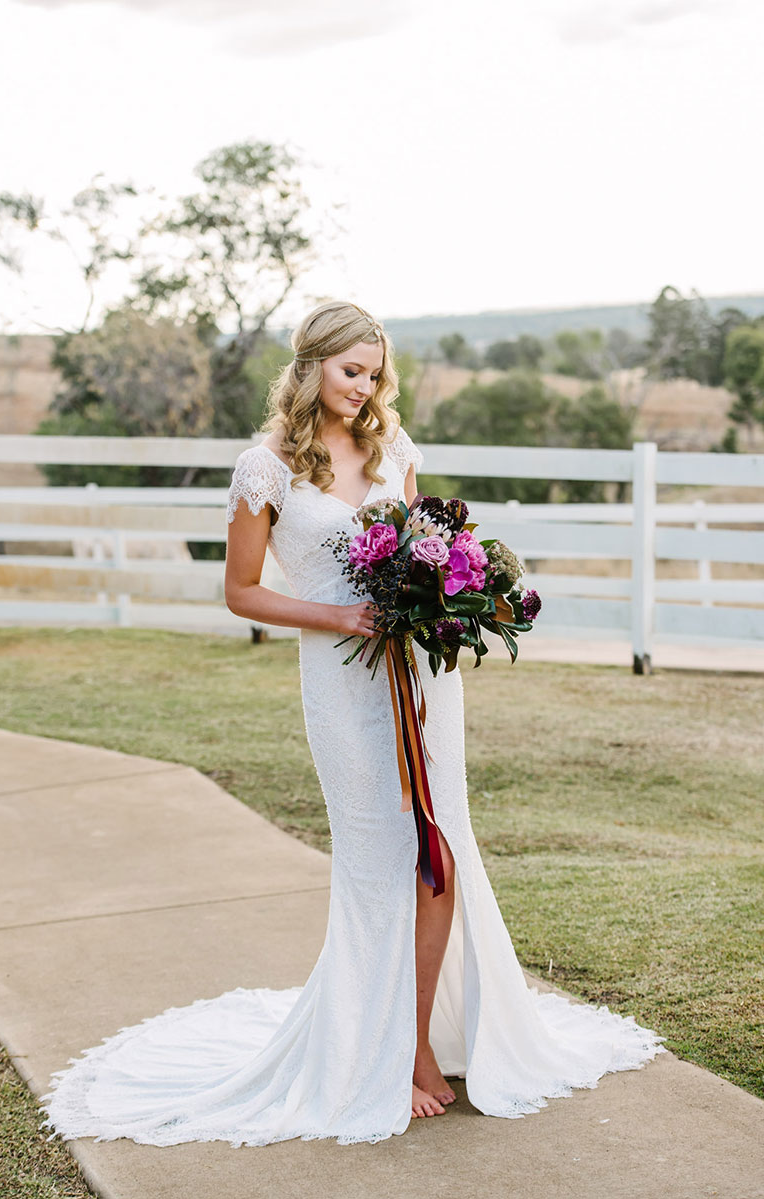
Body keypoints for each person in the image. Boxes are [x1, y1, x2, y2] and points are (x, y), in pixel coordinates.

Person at [41, 300, 666, 1148]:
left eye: (374, 373)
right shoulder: (264, 468)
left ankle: (418, 1041)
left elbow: (425, 546)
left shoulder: (392, 448)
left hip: (419, 676)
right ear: (311, 367)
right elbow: (241, 591)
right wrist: (338, 620)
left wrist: (451, 600)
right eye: (350, 370)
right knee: (380, 857)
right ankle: (391, 1049)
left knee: (440, 849)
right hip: (341, 683)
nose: (363, 387)